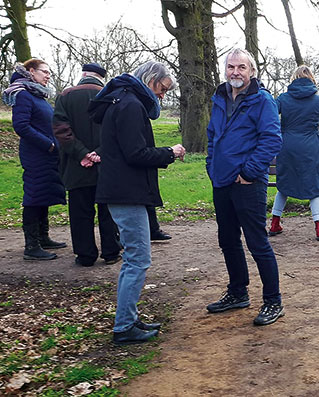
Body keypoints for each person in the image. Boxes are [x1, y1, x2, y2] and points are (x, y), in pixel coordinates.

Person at [89, 60, 186, 345]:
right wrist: (169, 152)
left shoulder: (122, 100)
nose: (162, 96)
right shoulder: (130, 105)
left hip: (122, 191)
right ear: (150, 79)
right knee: (138, 260)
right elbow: (136, 154)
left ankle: (128, 318)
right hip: (126, 193)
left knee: (134, 259)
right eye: (162, 89)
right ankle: (123, 326)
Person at [204, 48, 284, 326]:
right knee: (227, 240)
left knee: (257, 242)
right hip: (221, 180)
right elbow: (212, 135)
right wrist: (211, 166)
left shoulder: (262, 101)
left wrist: (249, 172)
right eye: (230, 67)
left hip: (248, 182)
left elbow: (272, 140)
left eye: (241, 67)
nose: (235, 72)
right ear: (224, 69)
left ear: (251, 71)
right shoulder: (219, 97)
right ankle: (238, 292)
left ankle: (273, 300)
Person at [52, 62, 122, 266]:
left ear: (82, 74)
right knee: (108, 211)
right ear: (101, 77)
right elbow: (117, 129)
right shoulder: (111, 96)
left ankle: (85, 255)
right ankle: (111, 252)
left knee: (80, 212)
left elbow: (60, 129)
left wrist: (82, 154)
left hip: (76, 165)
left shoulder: (65, 96)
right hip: (106, 163)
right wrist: (98, 153)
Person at [2, 59, 66, 260]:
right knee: (34, 195)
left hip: (47, 155)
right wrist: (49, 144)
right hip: (37, 154)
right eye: (44, 72)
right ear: (31, 71)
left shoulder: (36, 94)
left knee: (43, 194)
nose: (48, 76)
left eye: (49, 72)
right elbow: (21, 126)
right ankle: (31, 246)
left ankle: (43, 237)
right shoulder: (22, 94)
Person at [268, 65, 319, 241]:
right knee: (314, 184)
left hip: (287, 144)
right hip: (310, 145)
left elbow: (272, 114)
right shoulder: (318, 101)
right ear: (311, 78)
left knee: (285, 183)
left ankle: (274, 223)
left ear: (294, 78)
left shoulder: (283, 98)